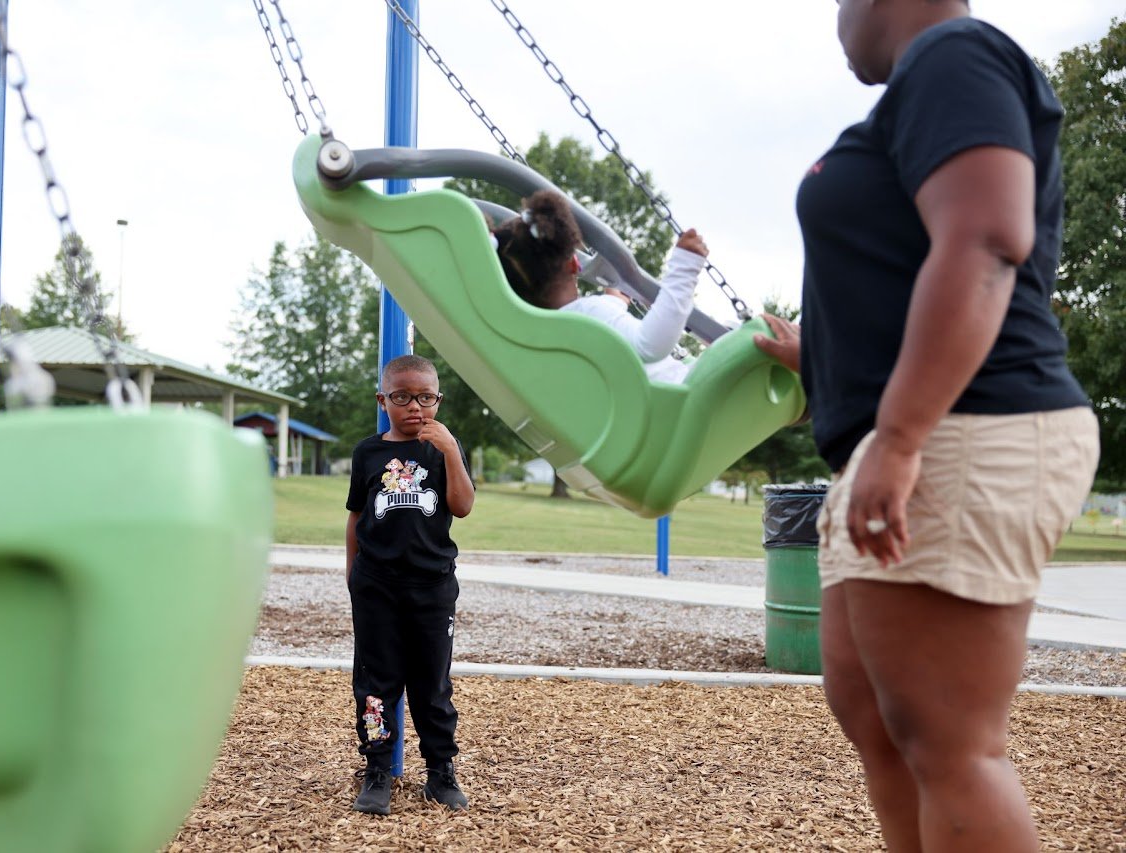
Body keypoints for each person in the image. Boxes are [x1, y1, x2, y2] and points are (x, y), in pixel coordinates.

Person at [752, 2, 1099, 850]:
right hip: (907, 431)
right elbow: (912, 265)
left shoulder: (954, 55)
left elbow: (984, 240)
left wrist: (902, 437)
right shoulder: (923, 84)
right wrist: (826, 361)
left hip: (964, 426)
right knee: (881, 723)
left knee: (949, 744)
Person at [345, 354, 476, 816]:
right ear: (383, 400)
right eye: (401, 397)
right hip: (376, 586)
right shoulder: (368, 453)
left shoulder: (444, 448)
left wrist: (451, 453)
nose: (414, 407)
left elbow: (462, 507)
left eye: (425, 397)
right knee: (376, 685)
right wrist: (352, 575)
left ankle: (441, 771)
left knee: (432, 685)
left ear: (438, 400)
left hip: (432, 587)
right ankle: (377, 768)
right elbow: (356, 518)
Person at [491, 189, 710, 384]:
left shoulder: (546, 341)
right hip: (694, 400)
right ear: (573, 263)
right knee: (737, 335)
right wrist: (684, 269)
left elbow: (609, 328)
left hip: (650, 419)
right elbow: (649, 345)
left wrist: (614, 298)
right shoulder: (589, 314)